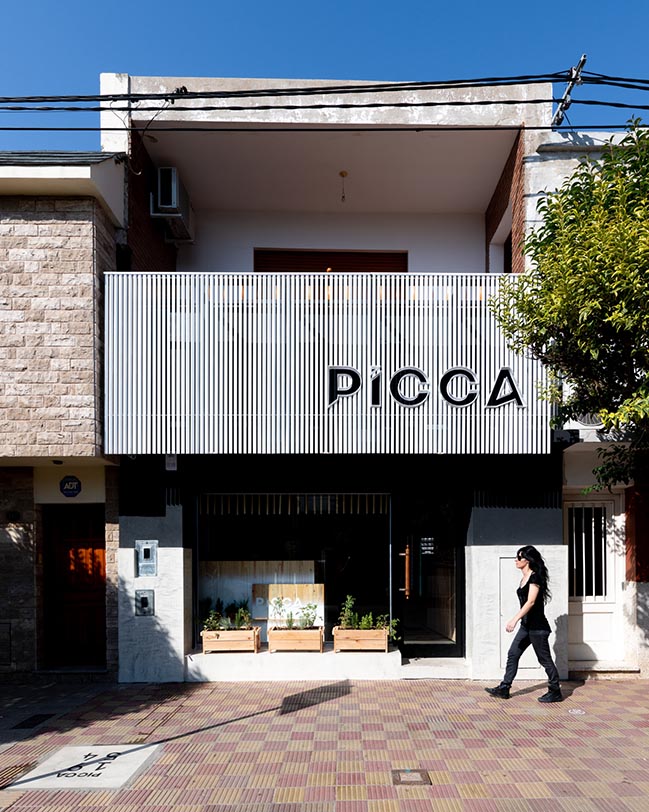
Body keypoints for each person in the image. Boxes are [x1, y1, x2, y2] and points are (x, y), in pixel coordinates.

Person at [485, 545, 562, 703]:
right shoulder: (524, 578)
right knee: (513, 654)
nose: (516, 560)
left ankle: (555, 691)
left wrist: (514, 619)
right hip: (526, 626)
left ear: (527, 560)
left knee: (544, 660)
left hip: (538, 628)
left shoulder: (535, 578)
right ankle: (504, 688)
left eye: (519, 557)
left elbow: (531, 602)